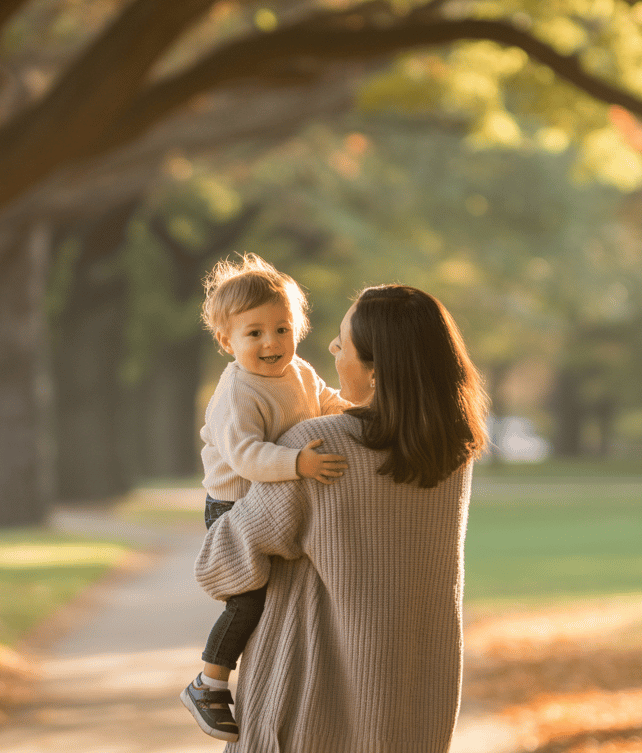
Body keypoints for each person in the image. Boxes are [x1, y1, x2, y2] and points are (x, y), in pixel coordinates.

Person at [194, 284, 490, 753]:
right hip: (417, 701)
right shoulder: (451, 451)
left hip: (307, 703)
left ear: (375, 370)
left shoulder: (317, 448)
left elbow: (220, 565)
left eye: (344, 342)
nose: (331, 347)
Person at [181, 253, 352, 743]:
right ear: (227, 341)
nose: (271, 343)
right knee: (247, 599)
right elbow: (246, 456)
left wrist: (364, 415)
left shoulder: (299, 371)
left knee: (281, 593)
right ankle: (208, 682)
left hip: (269, 500)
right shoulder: (237, 393)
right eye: (254, 333)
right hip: (233, 507)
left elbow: (328, 404)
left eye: (282, 329)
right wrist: (298, 463)